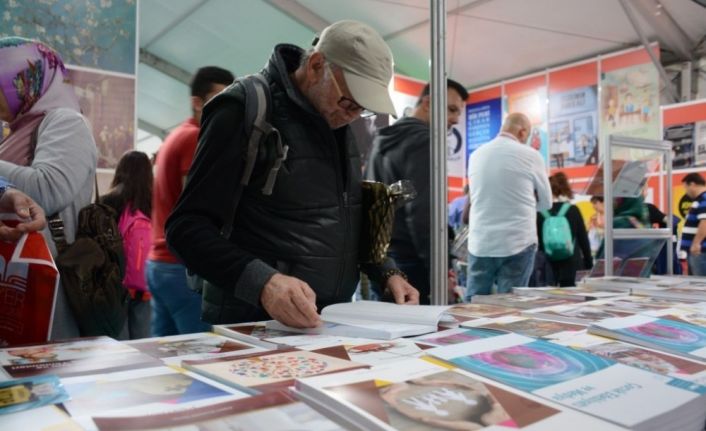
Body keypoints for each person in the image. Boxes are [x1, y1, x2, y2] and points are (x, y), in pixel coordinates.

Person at [166, 20, 418, 329]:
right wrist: (264, 284)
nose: (352, 115)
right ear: (315, 65)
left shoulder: (336, 121)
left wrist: (386, 271)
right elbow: (186, 228)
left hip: (325, 325)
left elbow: (344, 220)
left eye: (361, 109)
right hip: (255, 325)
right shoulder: (244, 110)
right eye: (349, 101)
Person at [0, 37, 97, 339]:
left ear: (24, 81)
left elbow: (47, 190)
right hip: (16, 273)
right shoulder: (18, 129)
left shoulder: (66, 123)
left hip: (47, 279)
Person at [148, 66, 234, 336]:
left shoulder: (175, 135)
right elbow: (197, 203)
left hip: (160, 264)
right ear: (197, 102)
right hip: (181, 267)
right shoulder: (195, 137)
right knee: (204, 355)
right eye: (218, 99)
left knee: (165, 355)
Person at [365, 79, 468, 304]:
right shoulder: (424, 141)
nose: (456, 119)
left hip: (383, 263)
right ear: (428, 104)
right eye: (451, 110)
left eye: (458, 113)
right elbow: (424, 214)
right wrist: (440, 274)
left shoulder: (383, 142)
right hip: (413, 264)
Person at [465, 113, 551, 300]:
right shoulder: (531, 156)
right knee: (510, 307)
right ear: (522, 132)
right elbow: (547, 202)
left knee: (472, 304)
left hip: (481, 242)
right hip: (518, 241)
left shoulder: (476, 155)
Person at [101, 151, 153, 339]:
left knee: (118, 341)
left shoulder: (108, 200)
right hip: (145, 284)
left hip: (113, 283)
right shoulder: (152, 203)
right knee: (143, 339)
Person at [536, 172, 592, 286]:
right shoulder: (573, 210)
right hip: (572, 266)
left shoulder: (540, 213)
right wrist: (588, 264)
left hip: (548, 268)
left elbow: (538, 244)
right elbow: (583, 240)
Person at [680, 173, 706, 275]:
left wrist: (696, 243)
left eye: (686, 188)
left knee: (700, 286)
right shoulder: (700, 199)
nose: (686, 192)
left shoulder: (704, 199)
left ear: (692, 184)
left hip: (700, 251)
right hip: (698, 251)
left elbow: (705, 221)